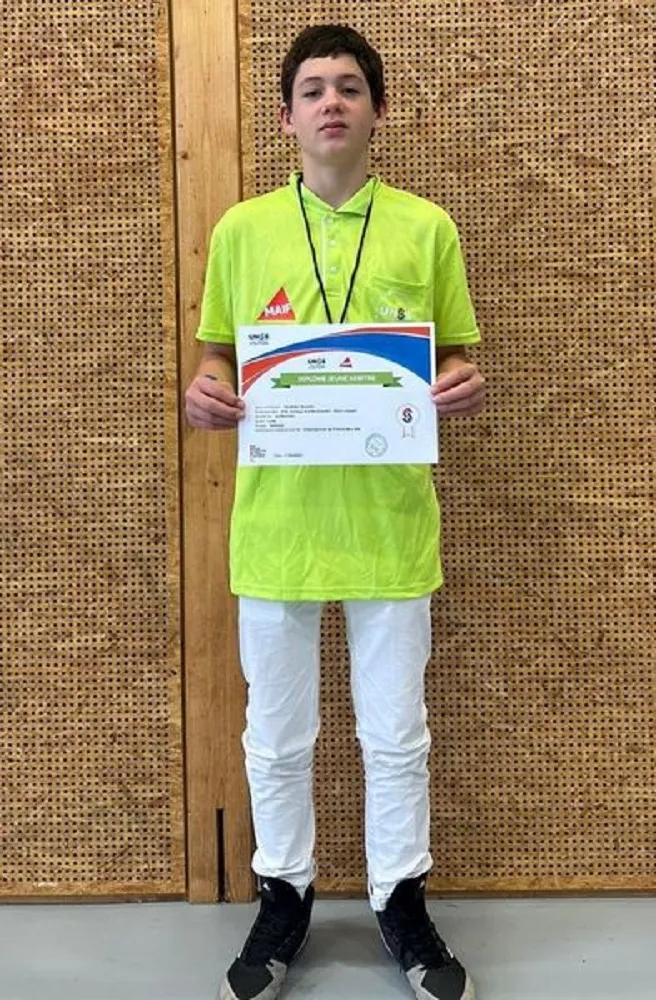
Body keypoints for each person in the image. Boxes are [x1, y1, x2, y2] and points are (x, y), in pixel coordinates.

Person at [185, 23, 485, 1000]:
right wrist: (205, 388)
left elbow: (453, 353)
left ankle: (401, 900)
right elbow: (217, 355)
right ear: (285, 118)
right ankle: (285, 894)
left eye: (349, 87)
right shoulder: (241, 231)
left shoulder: (426, 228)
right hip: (276, 529)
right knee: (276, 737)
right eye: (312, 89)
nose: (330, 102)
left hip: (389, 526)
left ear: (376, 111)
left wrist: (459, 381)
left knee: (396, 735)